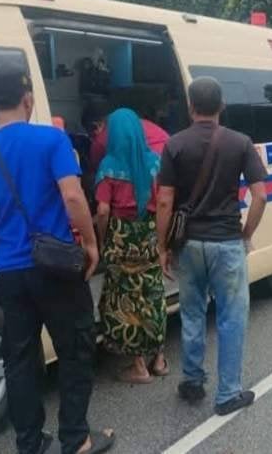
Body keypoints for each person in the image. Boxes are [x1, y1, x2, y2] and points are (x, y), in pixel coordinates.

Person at [0, 63, 114, 454]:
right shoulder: (52, 140)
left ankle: (30, 444)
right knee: (75, 351)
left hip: (11, 274)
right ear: (28, 98)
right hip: (56, 268)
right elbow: (74, 197)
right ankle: (76, 439)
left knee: (21, 361)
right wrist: (92, 245)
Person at [155, 77, 268, 416]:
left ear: (190, 107)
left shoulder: (174, 144)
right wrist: (245, 233)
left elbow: (164, 201)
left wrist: (162, 247)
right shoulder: (241, 143)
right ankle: (228, 394)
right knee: (232, 318)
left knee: (192, 313)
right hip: (227, 243)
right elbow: (260, 195)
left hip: (188, 245)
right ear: (221, 107)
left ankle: (192, 381)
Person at [94, 108, 168, 385]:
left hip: (122, 239)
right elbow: (163, 203)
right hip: (149, 235)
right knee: (153, 295)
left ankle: (138, 366)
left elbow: (102, 211)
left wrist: (102, 240)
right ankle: (159, 359)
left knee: (125, 301)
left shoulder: (108, 166)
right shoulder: (155, 163)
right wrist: (162, 242)